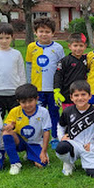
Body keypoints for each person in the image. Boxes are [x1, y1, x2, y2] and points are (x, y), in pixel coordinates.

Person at [55, 80, 94, 177]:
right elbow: (60, 126)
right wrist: (61, 137)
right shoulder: (68, 111)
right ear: (71, 97)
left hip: (88, 147)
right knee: (61, 147)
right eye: (76, 95)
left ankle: (90, 162)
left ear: (90, 95)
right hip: (73, 144)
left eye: (83, 94)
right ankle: (68, 162)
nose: (80, 98)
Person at [26, 18, 65, 148]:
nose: (44, 34)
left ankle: (55, 137)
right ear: (35, 32)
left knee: (54, 113)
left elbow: (61, 68)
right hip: (37, 89)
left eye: (47, 31)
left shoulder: (58, 48)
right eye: (41, 31)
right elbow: (29, 66)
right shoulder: (31, 47)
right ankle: (37, 139)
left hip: (53, 89)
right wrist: (29, 85)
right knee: (37, 114)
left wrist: (60, 86)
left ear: (53, 33)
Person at [3, 84, 51, 175]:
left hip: (36, 142)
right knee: (6, 133)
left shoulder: (44, 112)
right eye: (23, 102)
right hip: (20, 141)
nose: (27, 105)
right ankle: (15, 163)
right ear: (18, 102)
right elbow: (5, 127)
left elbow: (46, 132)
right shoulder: (15, 111)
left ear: (37, 99)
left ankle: (30, 154)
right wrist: (9, 126)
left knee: (43, 164)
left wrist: (44, 151)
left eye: (30, 101)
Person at [0, 22, 26, 118]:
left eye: (7, 38)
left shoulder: (16, 54)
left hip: (14, 93)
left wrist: (22, 90)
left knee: (16, 120)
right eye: (0, 38)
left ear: (12, 37)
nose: (4, 41)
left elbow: (21, 73)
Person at [54, 33, 88, 110]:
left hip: (82, 94)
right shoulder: (65, 61)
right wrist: (57, 90)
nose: (78, 48)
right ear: (70, 46)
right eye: (75, 46)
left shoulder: (86, 59)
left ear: (85, 46)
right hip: (67, 95)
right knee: (69, 116)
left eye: (81, 46)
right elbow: (58, 75)